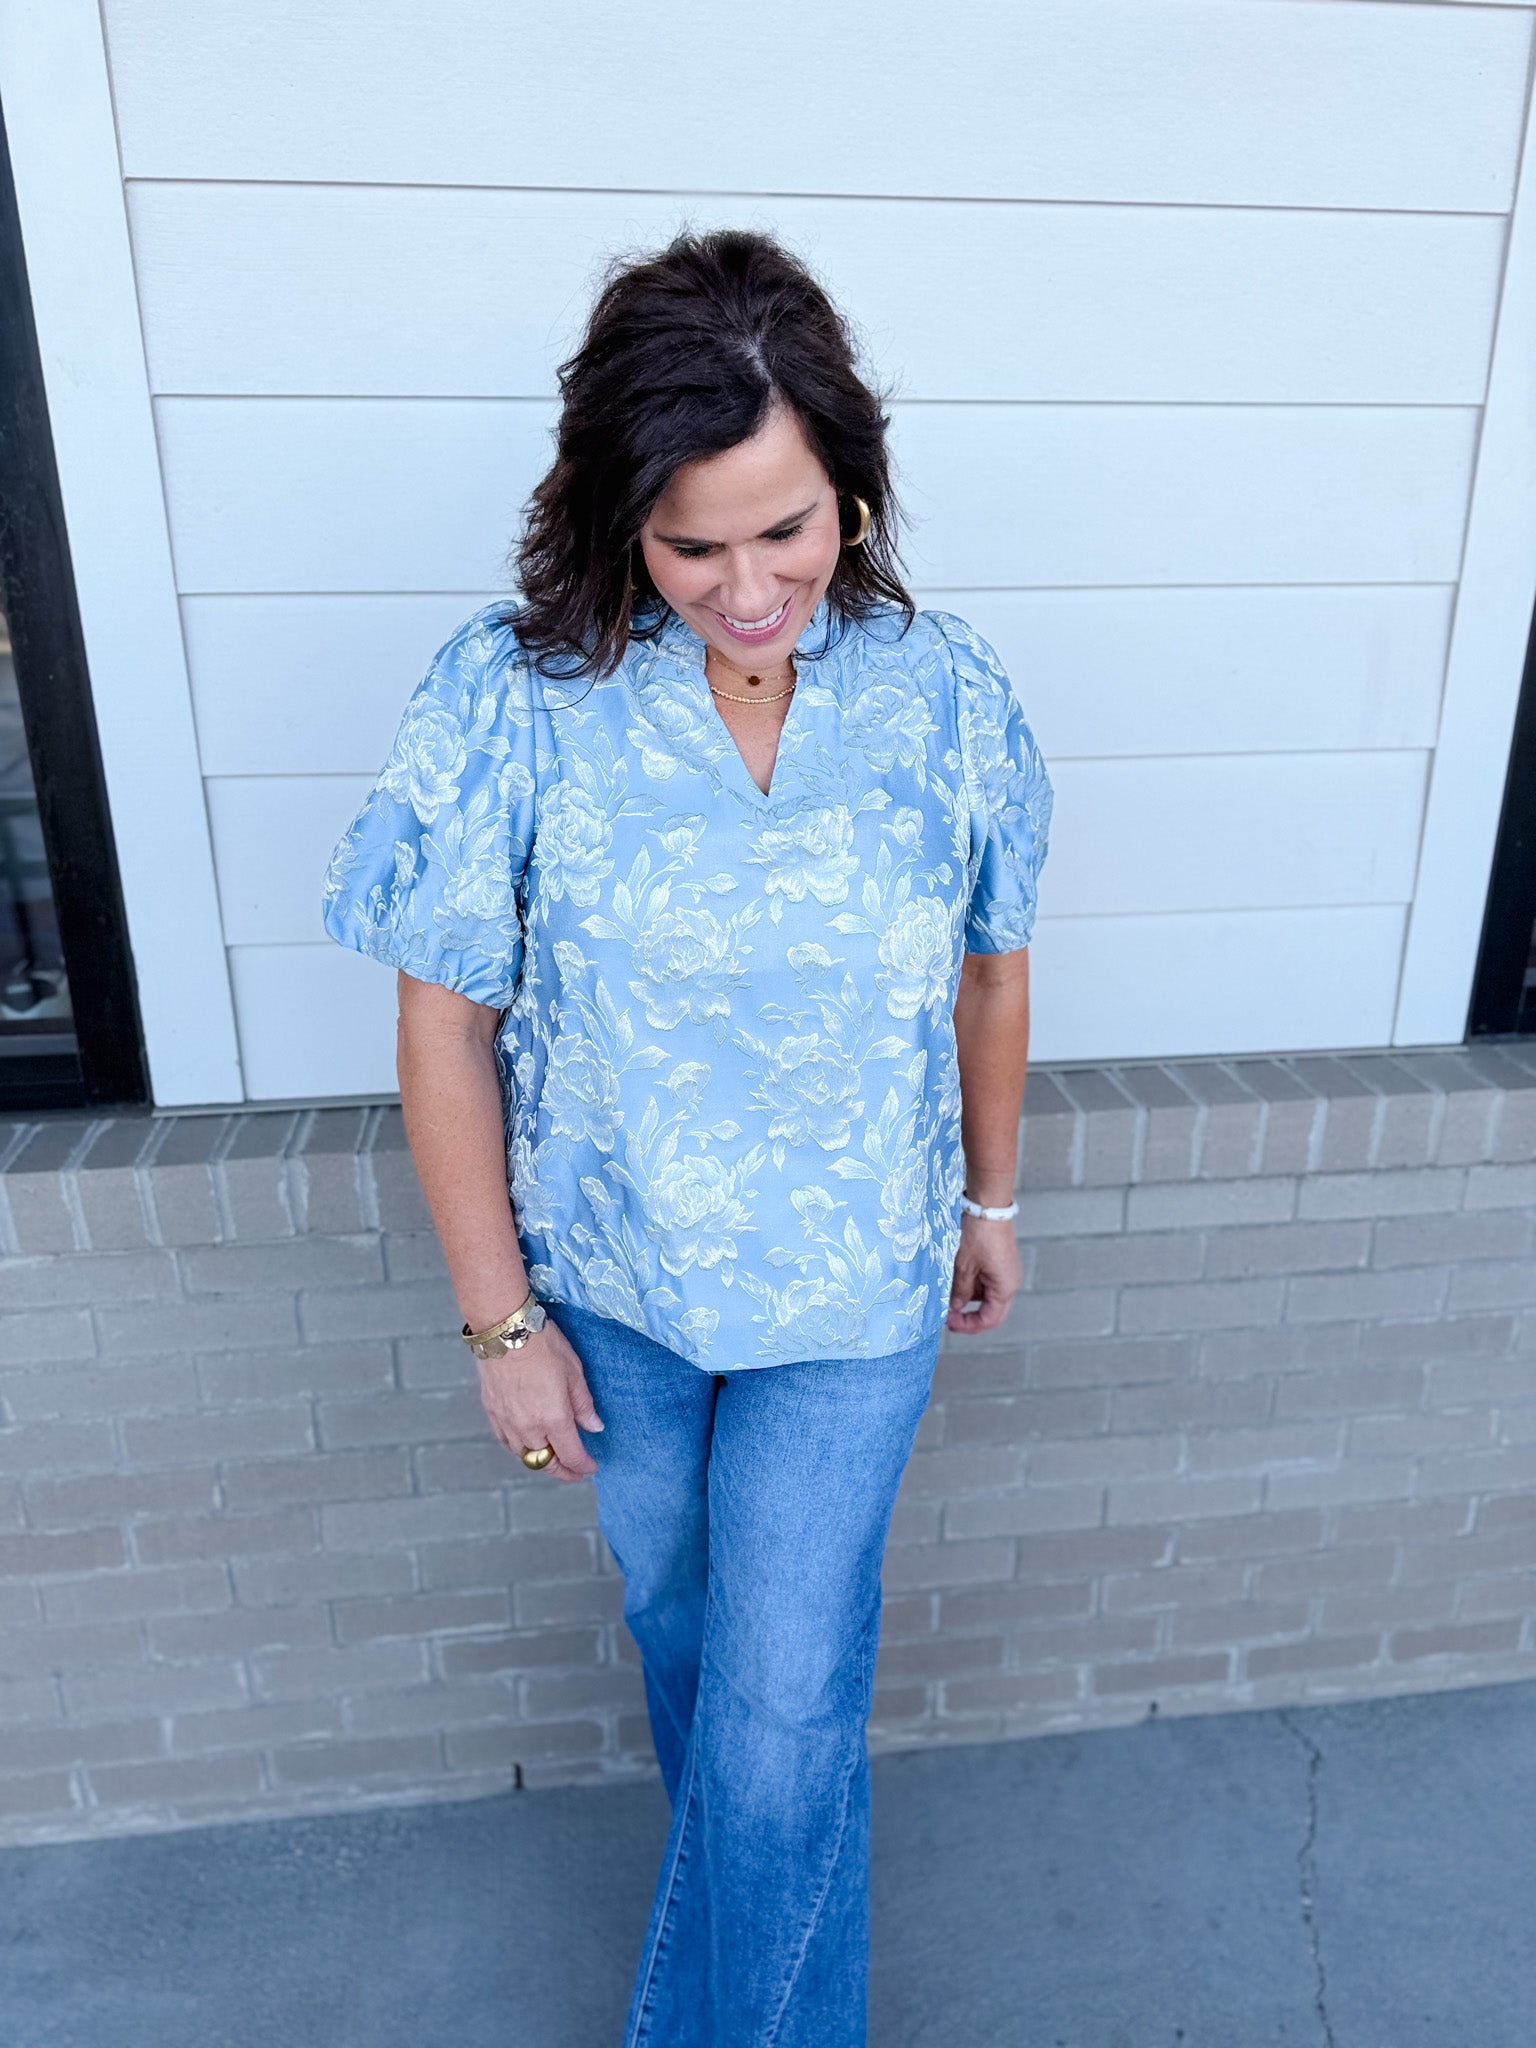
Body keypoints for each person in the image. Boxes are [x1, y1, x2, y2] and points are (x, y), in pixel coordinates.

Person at [322, 227, 1053, 2048]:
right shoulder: (516, 694)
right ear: (618, 519)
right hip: (615, 1295)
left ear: (851, 487)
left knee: (784, 1700)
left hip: (855, 1292)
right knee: (699, 1658)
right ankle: (759, 1954)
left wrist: (993, 1196)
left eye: (785, 530)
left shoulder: (946, 693)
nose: (747, 587)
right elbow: (442, 1022)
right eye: (691, 545)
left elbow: (990, 969)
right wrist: (500, 1324)